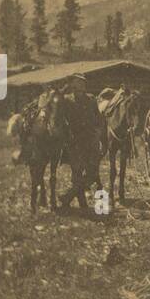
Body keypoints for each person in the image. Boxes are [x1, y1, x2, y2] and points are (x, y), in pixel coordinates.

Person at [60, 73, 102, 213]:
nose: (81, 86)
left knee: (92, 172)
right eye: (77, 83)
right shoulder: (66, 100)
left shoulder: (91, 99)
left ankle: (67, 196)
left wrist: (97, 132)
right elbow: (61, 118)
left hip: (90, 140)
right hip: (74, 141)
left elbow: (97, 117)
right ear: (72, 85)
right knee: (77, 172)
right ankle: (82, 203)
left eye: (83, 83)